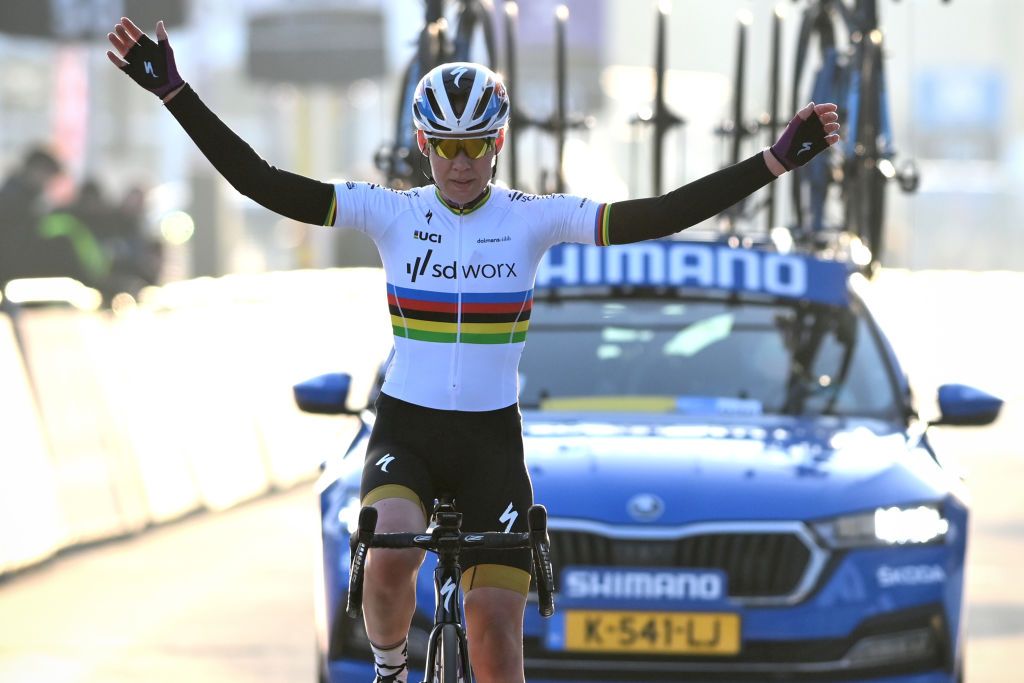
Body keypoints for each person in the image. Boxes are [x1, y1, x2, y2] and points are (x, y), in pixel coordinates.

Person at [107, 17, 839, 683]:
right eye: (448, 148)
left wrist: (770, 164)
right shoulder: (391, 211)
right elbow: (263, 183)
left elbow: (657, 215)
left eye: (477, 146)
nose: (462, 163)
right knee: (390, 555)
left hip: (492, 442)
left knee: (495, 639)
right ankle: (391, 668)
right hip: (409, 430)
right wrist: (174, 91)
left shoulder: (534, 218)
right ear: (425, 145)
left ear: (498, 142)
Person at [0, 146, 63, 292]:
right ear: (35, 170)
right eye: (48, 176)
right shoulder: (15, 201)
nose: (48, 183)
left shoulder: (23, 199)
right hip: (12, 281)